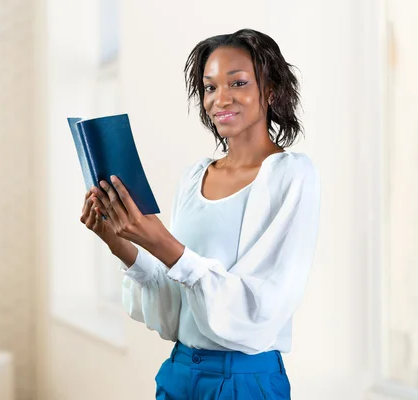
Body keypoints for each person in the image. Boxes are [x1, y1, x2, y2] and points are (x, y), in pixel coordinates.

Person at [80, 28, 320, 400]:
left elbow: (258, 308)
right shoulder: (194, 177)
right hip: (180, 372)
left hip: (245, 379)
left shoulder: (291, 175)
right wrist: (119, 241)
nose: (220, 98)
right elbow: (176, 306)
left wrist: (162, 242)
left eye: (237, 82)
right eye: (210, 87)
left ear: (270, 91)